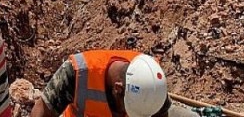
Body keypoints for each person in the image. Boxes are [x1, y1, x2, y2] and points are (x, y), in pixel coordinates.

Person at [31, 50, 171, 117]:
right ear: (118, 89)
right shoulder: (76, 72)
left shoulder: (153, 85)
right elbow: (42, 111)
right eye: (127, 110)